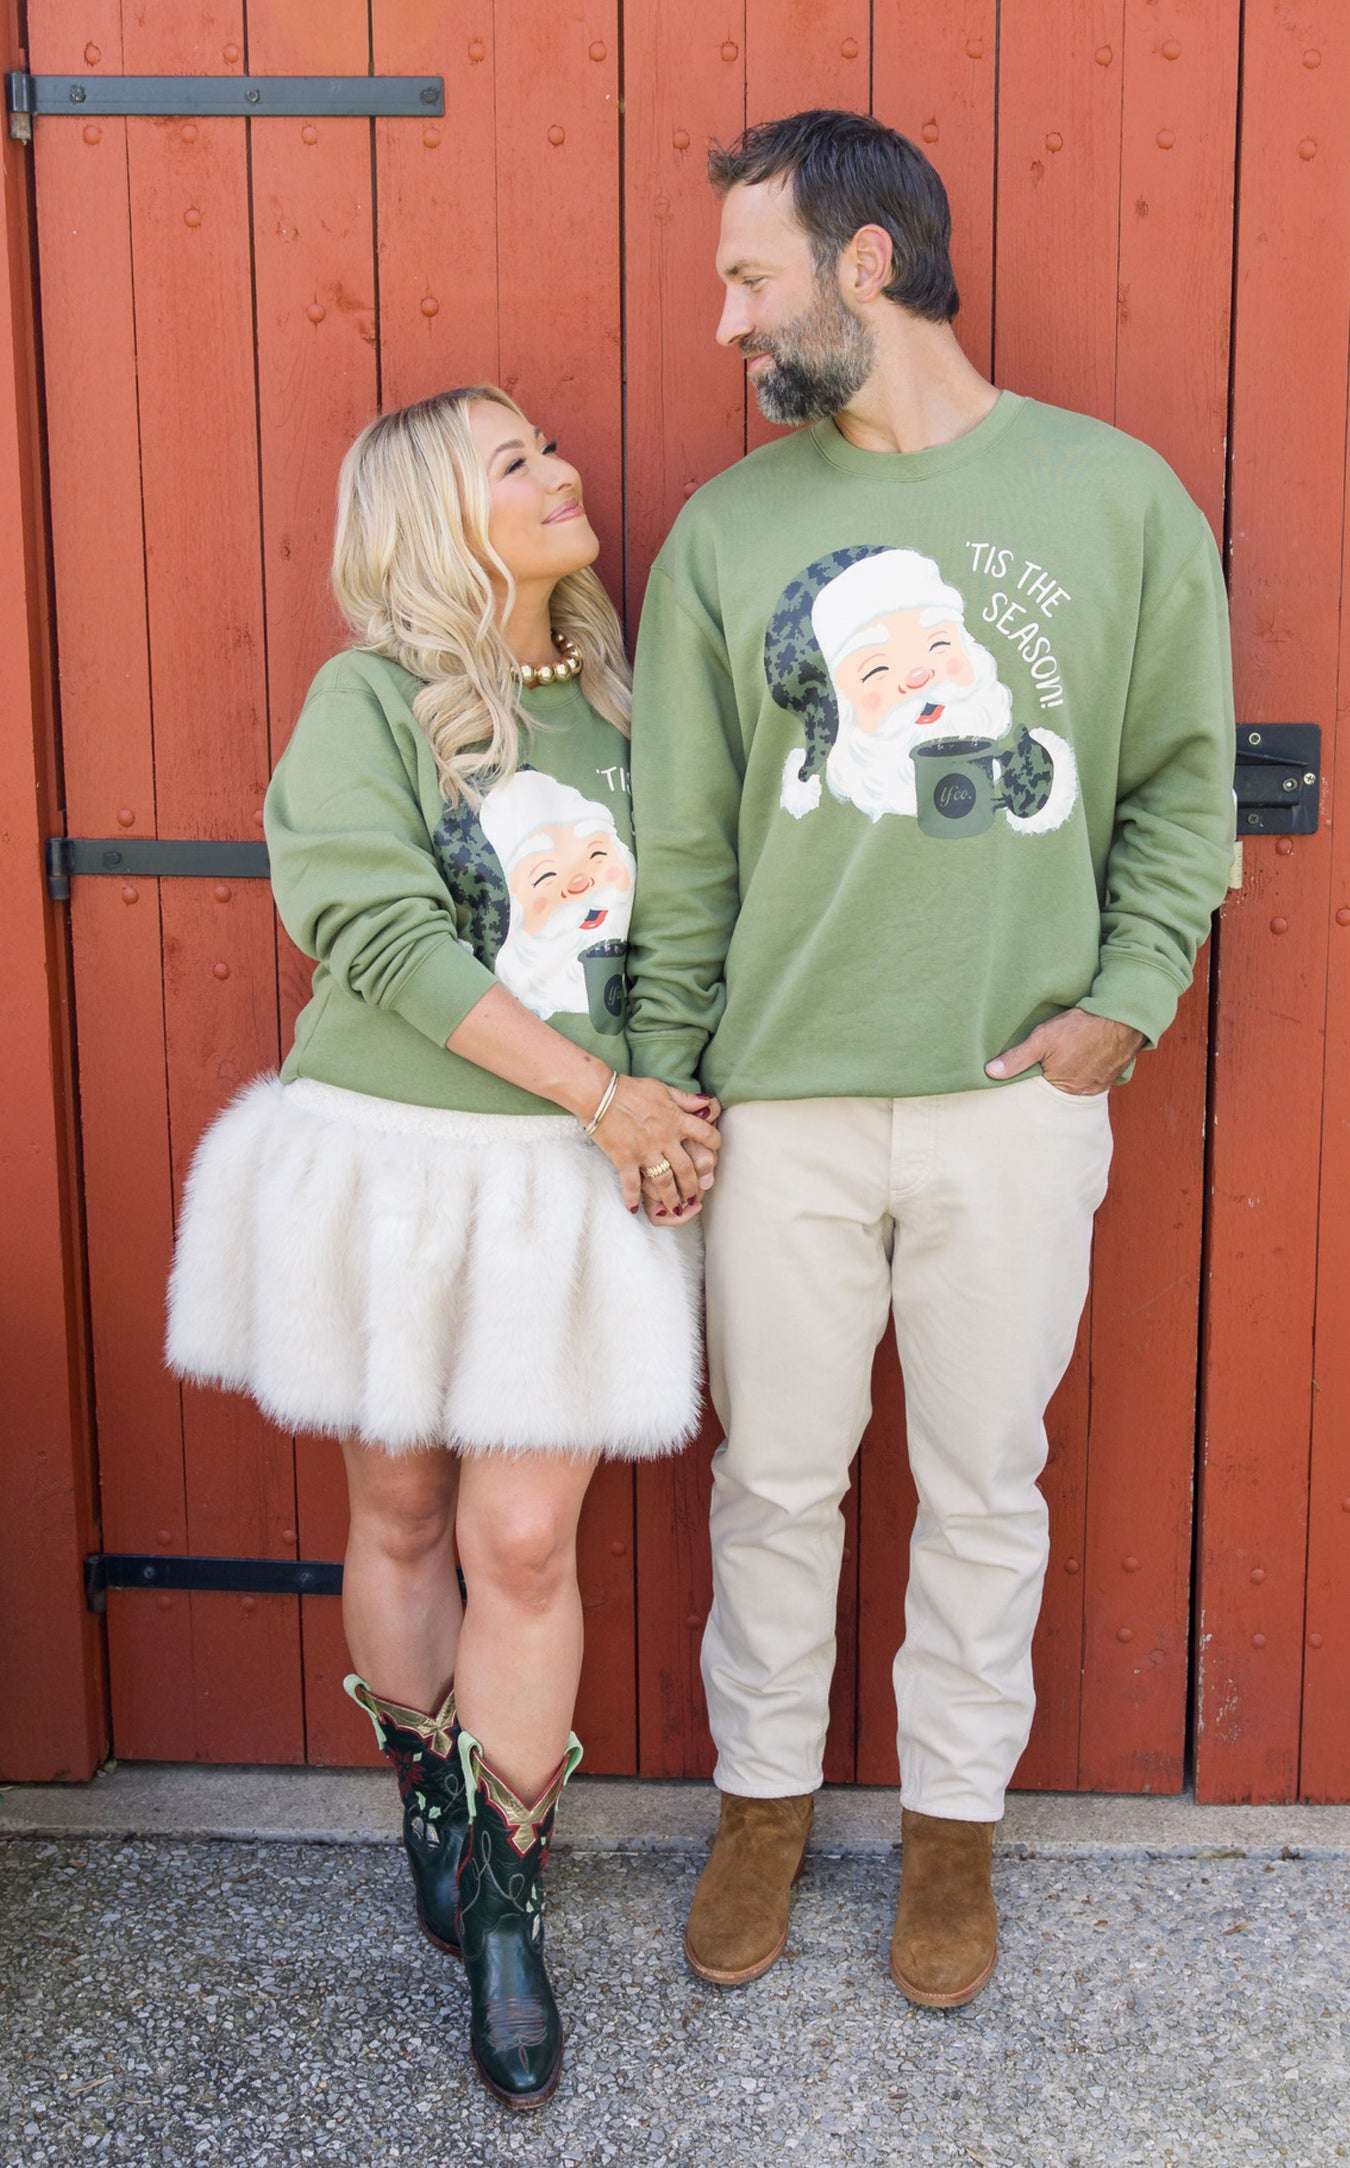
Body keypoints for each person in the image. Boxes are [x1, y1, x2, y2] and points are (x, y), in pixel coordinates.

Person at [626, 111, 1236, 2009]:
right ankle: (761, 1809)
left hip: (1009, 1100)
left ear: (863, 264)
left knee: (983, 1482)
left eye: (750, 276)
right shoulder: (725, 533)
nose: (728, 320)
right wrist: (663, 1085)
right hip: (780, 1101)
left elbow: (1180, 788)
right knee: (774, 1480)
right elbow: (684, 843)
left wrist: (1123, 1006)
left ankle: (950, 1831)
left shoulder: (1114, 498)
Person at [165, 386, 719, 2108]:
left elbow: (689, 931)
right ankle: (432, 1800)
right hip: (394, 1167)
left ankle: (503, 1906)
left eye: (549, 448)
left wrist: (660, 1107)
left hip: (574, 1178)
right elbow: (375, 929)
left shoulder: (632, 708)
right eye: (514, 463)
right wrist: (604, 1095)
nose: (562, 474)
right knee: (402, 1512)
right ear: (431, 521)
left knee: (524, 1540)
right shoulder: (368, 702)